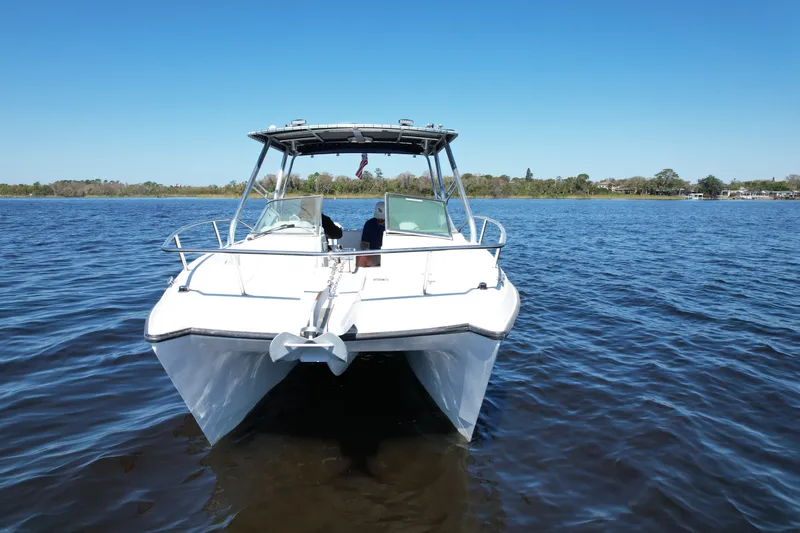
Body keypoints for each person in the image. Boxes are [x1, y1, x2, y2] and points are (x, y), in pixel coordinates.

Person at [357, 201, 385, 267]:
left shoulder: (393, 223)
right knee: (361, 257)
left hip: (390, 254)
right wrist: (367, 253)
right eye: (378, 217)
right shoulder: (369, 224)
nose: (379, 218)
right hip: (374, 254)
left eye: (382, 217)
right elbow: (364, 244)